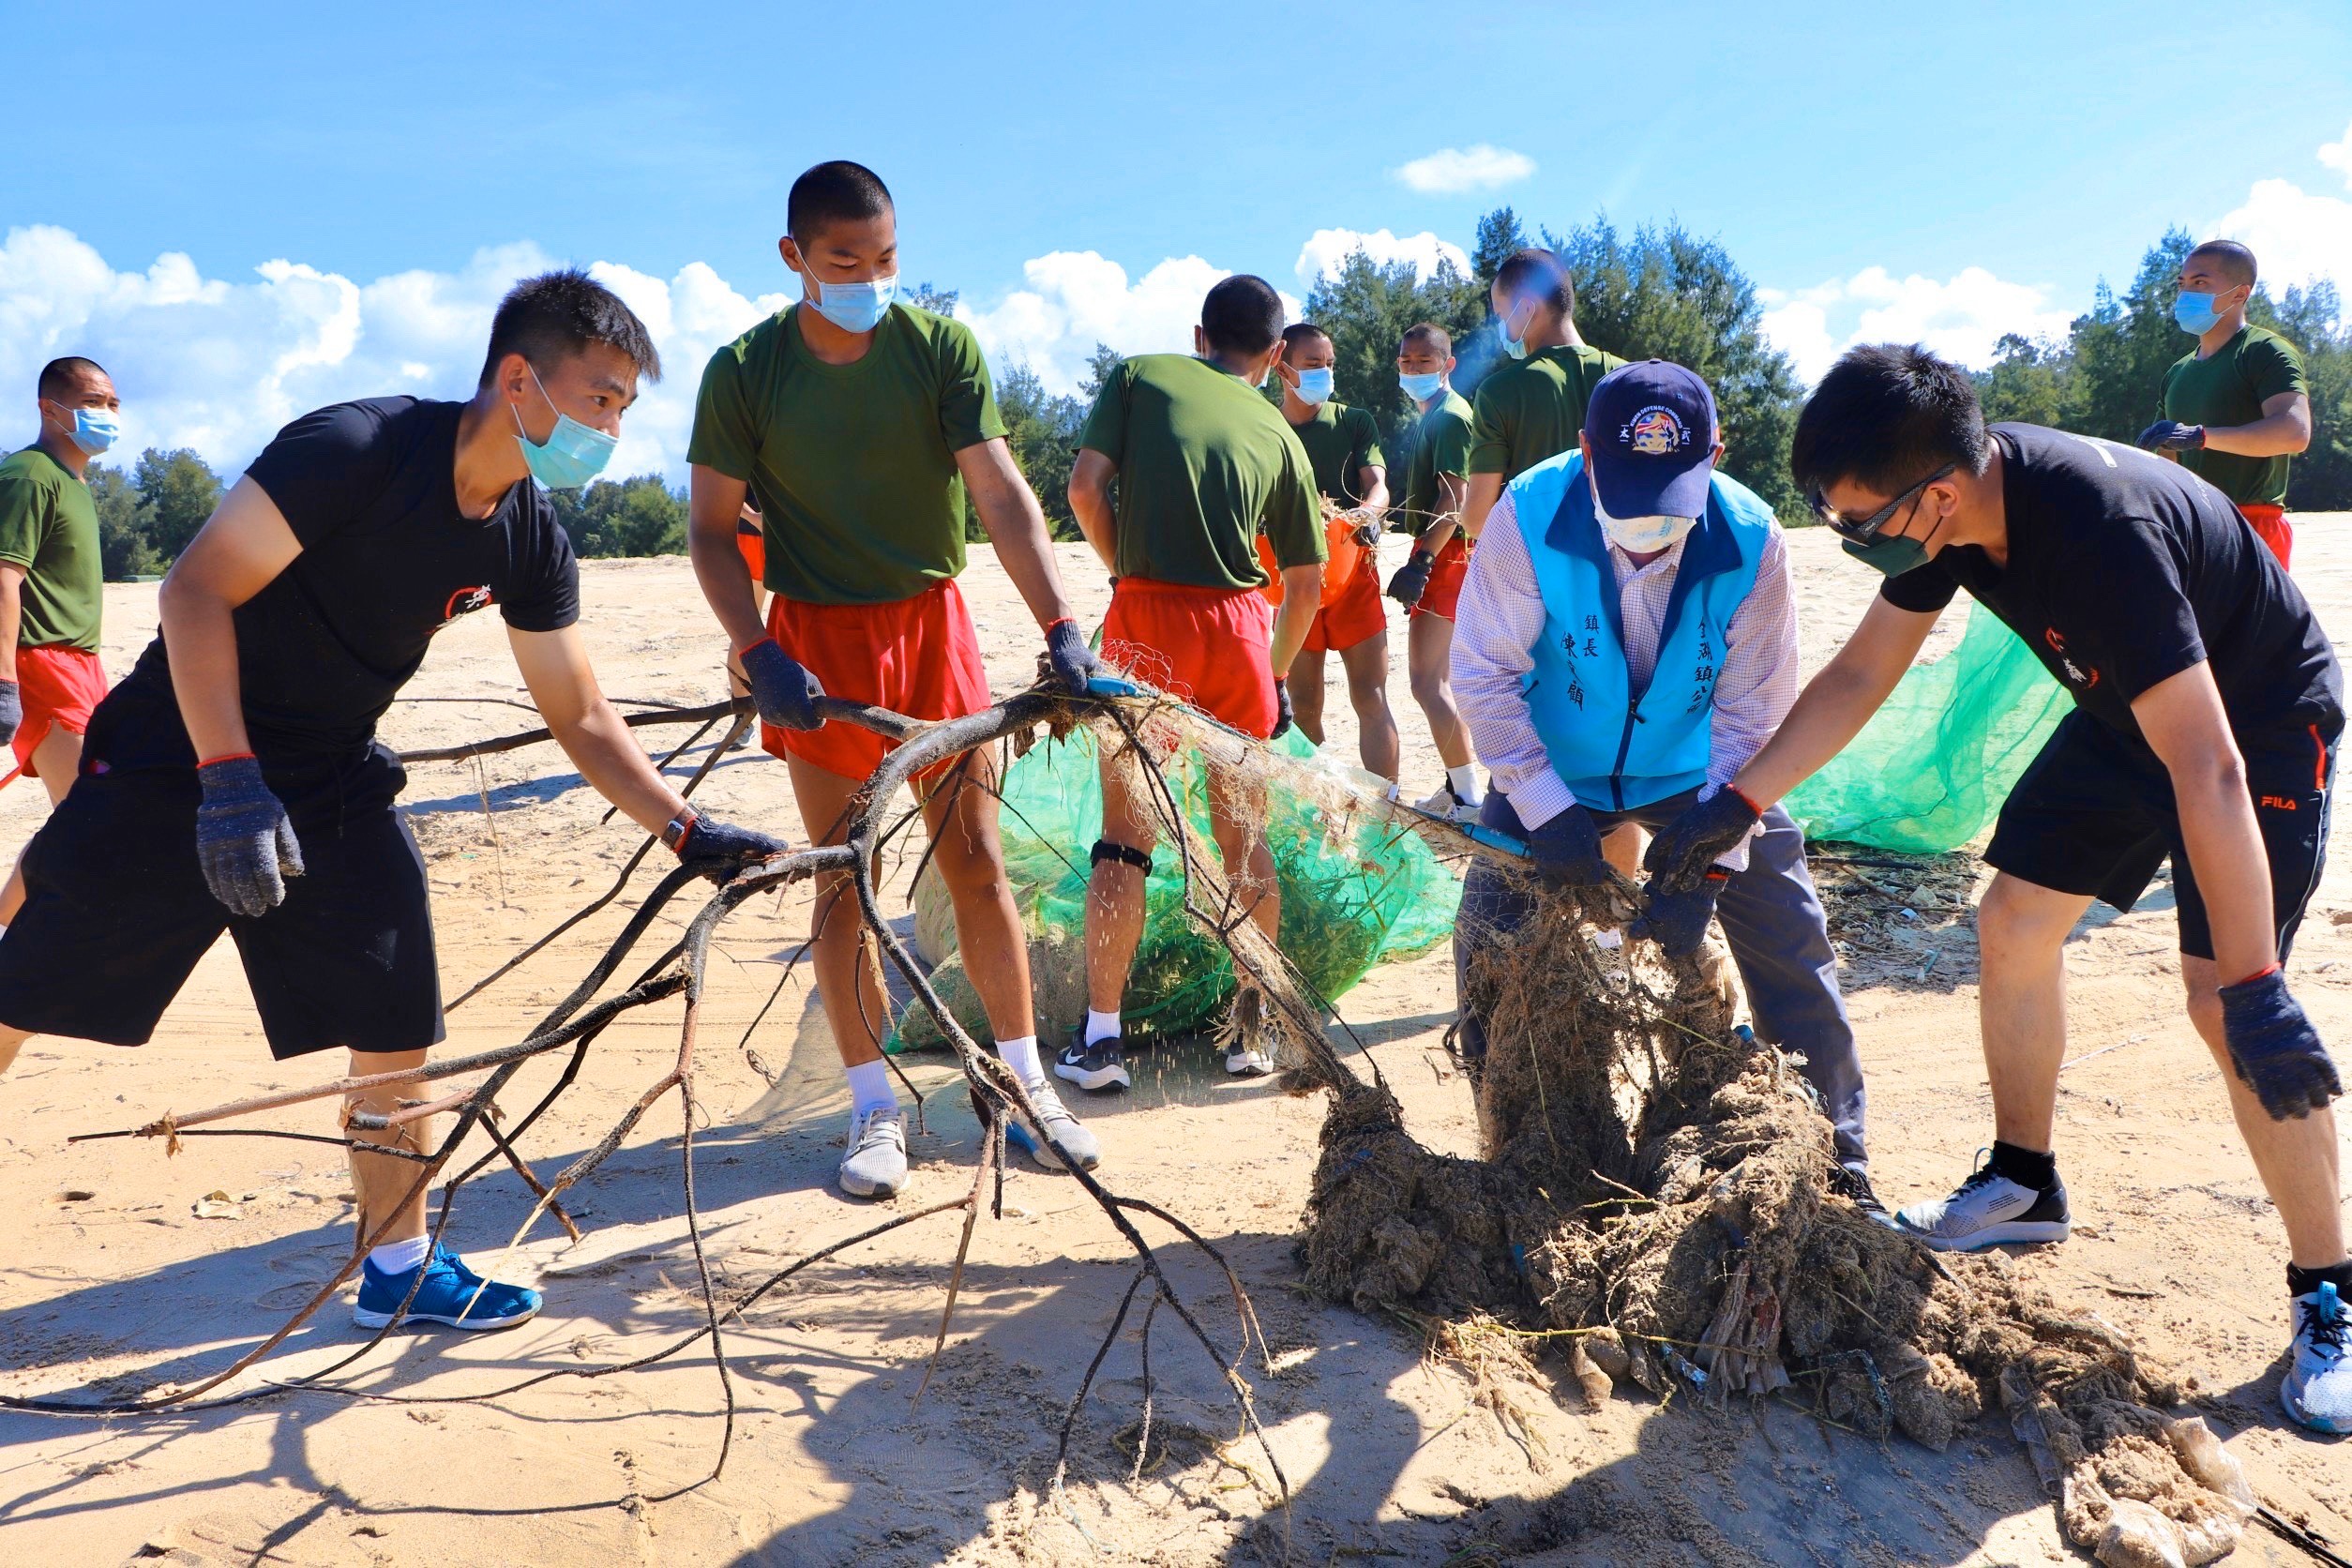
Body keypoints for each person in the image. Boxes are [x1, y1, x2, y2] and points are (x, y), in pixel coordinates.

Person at [0, 271, 789, 1334]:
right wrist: (228, 780)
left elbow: (580, 711)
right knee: (23, 986)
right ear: (519, 378)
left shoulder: (527, 533)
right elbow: (194, 591)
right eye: (599, 399)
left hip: (330, 773)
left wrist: (685, 830)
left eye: (624, 409)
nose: (610, 427)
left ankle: (397, 1264)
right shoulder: (358, 450)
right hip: (171, 754)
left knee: (393, 1005)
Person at [1656, 342, 2346, 1434]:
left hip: (2254, 727)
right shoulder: (1953, 508)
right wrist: (1740, 802)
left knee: (2225, 1005)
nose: (1857, 541)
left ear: (1934, 494)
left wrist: (2259, 980)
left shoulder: (2096, 532)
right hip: (2132, 711)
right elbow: (1860, 674)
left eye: (1862, 523)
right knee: (2015, 916)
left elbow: (2208, 763)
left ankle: (2330, 1292)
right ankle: (2026, 1183)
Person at [687, 160, 1105, 1199]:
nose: (871, 279)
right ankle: (874, 1107)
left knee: (976, 864)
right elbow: (705, 531)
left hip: (934, 632)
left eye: (887, 259)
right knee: (844, 878)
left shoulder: (939, 348)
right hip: (814, 649)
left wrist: (1061, 624)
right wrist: (758, 650)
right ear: (794, 259)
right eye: (845, 262)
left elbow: (1000, 493)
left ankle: (1022, 1084)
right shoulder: (744, 371)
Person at [1450, 359, 1874, 1199]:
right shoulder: (1527, 515)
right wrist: (1545, 808)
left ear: (1716, 455)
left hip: (1699, 773)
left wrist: (1712, 862)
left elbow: (1755, 715)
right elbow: (1484, 678)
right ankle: (1526, 1157)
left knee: (1791, 947)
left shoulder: (1753, 538)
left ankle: (1837, 1165)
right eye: (1628, 491)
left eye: (1669, 498)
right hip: (1554, 765)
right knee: (1488, 950)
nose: (1648, 521)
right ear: (1584, 452)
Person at [1063, 275, 1325, 1086]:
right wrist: (1275, 674)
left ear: (1199, 334)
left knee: (1125, 839)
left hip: (1148, 628)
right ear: (1278, 357)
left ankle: (1101, 1042)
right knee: (1243, 839)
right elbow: (1307, 585)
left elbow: (1082, 489)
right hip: (1243, 632)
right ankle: (1252, 1032)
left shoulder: (1141, 375)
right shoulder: (1282, 433)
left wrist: (1126, 578)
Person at [1395, 253, 1627, 825]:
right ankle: (1609, 903)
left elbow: (1475, 516)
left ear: (1526, 308)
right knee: (1618, 764)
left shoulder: (1502, 392)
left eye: (1502, 312)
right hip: (1628, 584)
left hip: (1539, 592)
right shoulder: (1629, 378)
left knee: (1536, 744)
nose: (1503, 327)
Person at [0, 357, 120, 927]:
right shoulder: (30, 474)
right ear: (50, 407)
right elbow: (4, 578)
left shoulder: (73, 481)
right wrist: (4, 683)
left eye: (113, 404)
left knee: (84, 815)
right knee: (87, 817)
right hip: (42, 661)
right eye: (94, 402)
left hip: (81, 664)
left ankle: (7, 927)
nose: (107, 414)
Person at [1268, 322, 1398, 779]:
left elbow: (1377, 485)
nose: (1324, 373)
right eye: (1312, 365)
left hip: (1351, 574)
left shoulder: (1352, 421)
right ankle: (1309, 807)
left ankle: (1385, 816)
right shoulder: (1264, 427)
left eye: (1329, 364)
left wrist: (1365, 516)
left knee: (1370, 696)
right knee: (1303, 703)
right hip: (1289, 580)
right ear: (1281, 366)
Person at [2137, 239, 2313, 568]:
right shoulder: (2178, 372)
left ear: (2239, 294)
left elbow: (2294, 433)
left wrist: (2202, 436)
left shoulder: (2264, 350)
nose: (2185, 293)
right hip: (2191, 525)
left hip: (2252, 525)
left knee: (2251, 623)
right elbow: (2169, 463)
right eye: (2182, 283)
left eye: (2200, 282)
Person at [1385, 324, 1484, 821]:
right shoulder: (1434, 416)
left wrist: (1422, 562)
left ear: (1448, 365)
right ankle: (1456, 787)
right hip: (1445, 556)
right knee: (1441, 679)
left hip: (1447, 557)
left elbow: (1455, 500)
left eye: (1424, 361)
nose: (1413, 370)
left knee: (1427, 683)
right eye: (1406, 361)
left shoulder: (1449, 418)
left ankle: (1468, 799)